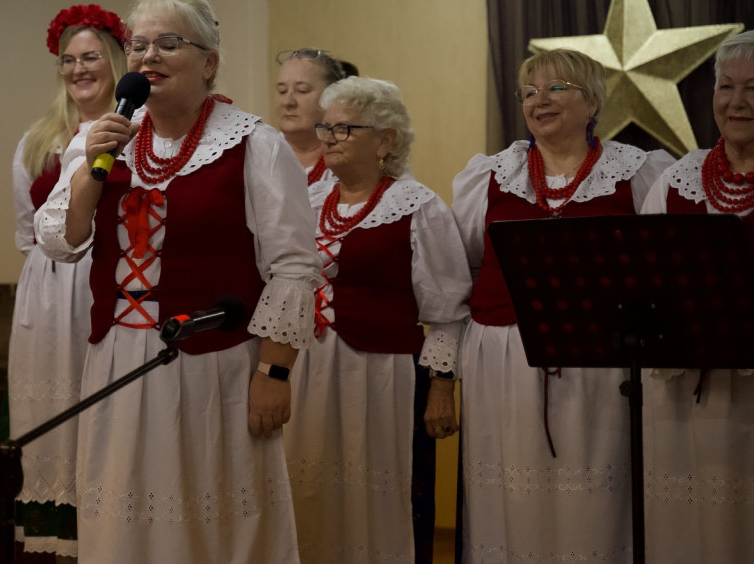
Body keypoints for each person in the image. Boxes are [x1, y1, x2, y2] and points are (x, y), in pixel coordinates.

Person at [34, 0, 323, 563]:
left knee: (211, 520)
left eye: (169, 43)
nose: (148, 57)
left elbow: (293, 269)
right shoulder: (101, 138)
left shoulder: (255, 145)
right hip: (117, 357)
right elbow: (59, 242)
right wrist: (94, 163)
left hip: (213, 367)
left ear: (209, 61)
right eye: (139, 46)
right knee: (124, 517)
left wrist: (275, 371)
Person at [452, 48, 673, 561]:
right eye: (529, 91)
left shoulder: (638, 171)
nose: (539, 100)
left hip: (598, 356)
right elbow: (462, 263)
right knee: (509, 481)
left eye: (556, 88)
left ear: (592, 101)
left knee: (594, 483)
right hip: (502, 352)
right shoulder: (489, 174)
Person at [283, 76, 471, 562]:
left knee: (381, 497)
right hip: (305, 372)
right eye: (325, 127)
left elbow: (447, 311)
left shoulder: (418, 207)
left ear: (386, 139)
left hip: (379, 377)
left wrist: (442, 387)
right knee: (309, 494)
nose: (328, 138)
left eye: (344, 129)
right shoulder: (305, 202)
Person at [0, 4, 129, 559]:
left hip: (108, 281)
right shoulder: (39, 140)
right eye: (68, 60)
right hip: (47, 291)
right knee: (48, 413)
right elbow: (26, 232)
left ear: (116, 61)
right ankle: (51, 534)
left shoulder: (137, 132)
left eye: (91, 57)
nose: (79, 69)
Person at [639, 29, 754, 562]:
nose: (738, 102)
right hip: (682, 389)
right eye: (726, 87)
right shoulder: (679, 178)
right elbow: (641, 274)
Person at [274, 48, 357, 187]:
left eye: (302, 90)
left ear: (333, 96)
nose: (287, 102)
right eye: (282, 91)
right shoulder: (258, 154)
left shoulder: (357, 160)